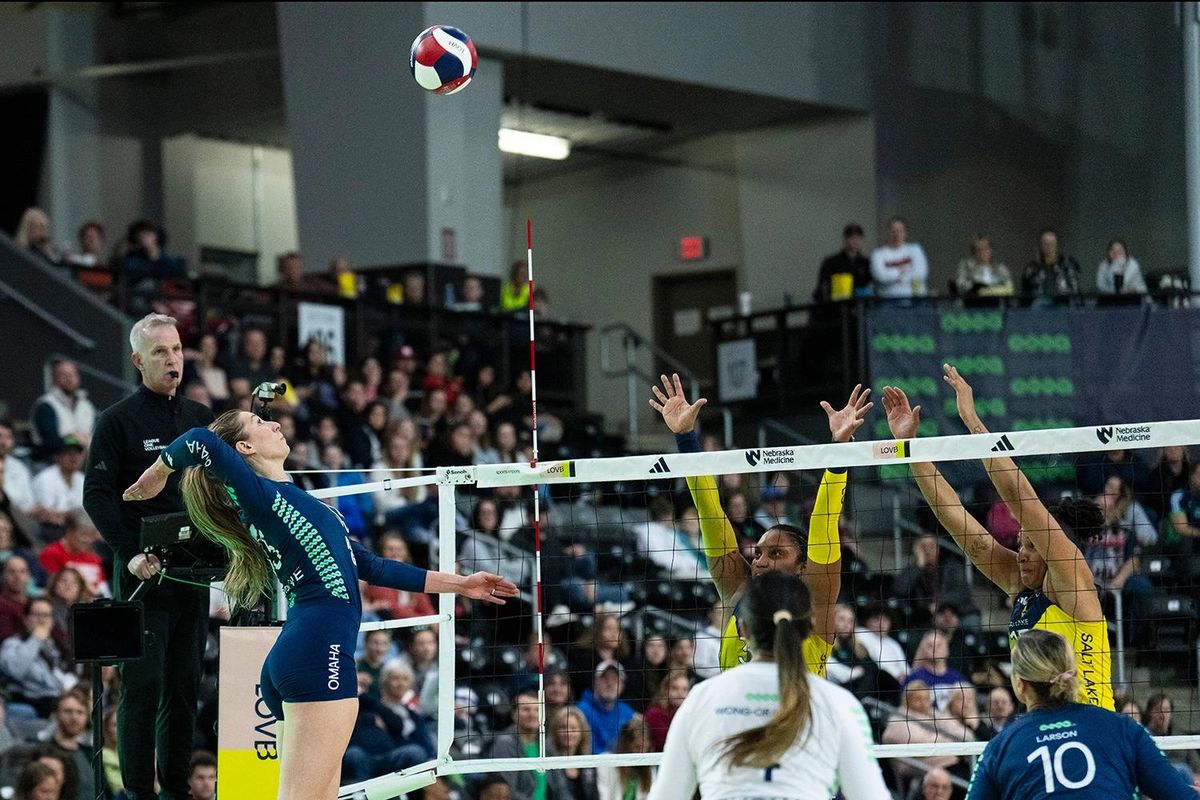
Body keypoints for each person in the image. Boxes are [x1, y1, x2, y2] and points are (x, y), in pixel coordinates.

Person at [121, 407, 517, 800]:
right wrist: (157, 473)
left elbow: (373, 566)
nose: (275, 423)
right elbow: (200, 440)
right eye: (259, 423)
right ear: (243, 448)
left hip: (308, 651)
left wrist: (461, 585)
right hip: (317, 652)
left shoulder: (297, 504)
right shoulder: (262, 496)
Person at [881, 365, 1113, 710]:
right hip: (1041, 722)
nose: (1021, 553)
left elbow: (1022, 500)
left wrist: (973, 422)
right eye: (1020, 544)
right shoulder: (1021, 586)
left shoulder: (1071, 577)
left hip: (1092, 722)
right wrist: (909, 447)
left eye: (1031, 545)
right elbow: (956, 519)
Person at [650, 373, 871, 676]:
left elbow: (824, 524)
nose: (761, 561)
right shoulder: (739, 590)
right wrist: (686, 437)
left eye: (776, 553)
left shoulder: (815, 601)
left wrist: (839, 449)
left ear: (803, 566)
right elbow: (710, 511)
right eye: (758, 553)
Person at [82, 313, 214, 800]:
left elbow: (217, 488)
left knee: (184, 686)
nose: (172, 359)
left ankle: (176, 790)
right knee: (143, 685)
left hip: (193, 571)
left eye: (177, 349)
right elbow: (96, 496)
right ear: (139, 361)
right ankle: (139, 792)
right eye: (160, 352)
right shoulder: (117, 420)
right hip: (142, 570)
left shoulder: (200, 418)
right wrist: (130, 552)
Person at [648, 572, 889, 799]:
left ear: (743, 628)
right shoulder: (840, 704)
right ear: (810, 626)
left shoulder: (701, 698)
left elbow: (667, 795)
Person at [965, 629, 1197, 800]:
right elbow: (1182, 796)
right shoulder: (1123, 728)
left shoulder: (999, 748)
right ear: (1074, 674)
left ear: (1020, 685)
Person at [30, 359, 96, 457]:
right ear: (54, 379)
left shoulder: (86, 405)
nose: (69, 379)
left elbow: (93, 436)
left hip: (83, 459)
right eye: (64, 375)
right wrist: (73, 439)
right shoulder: (45, 405)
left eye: (72, 375)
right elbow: (51, 442)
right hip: (50, 460)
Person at [577, 661, 637, 755]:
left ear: (622, 685)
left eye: (615, 679)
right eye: (605, 678)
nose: (610, 684)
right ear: (595, 682)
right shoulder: (581, 711)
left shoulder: (627, 711)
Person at [870, 216, 928, 299]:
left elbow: (920, 274)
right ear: (888, 233)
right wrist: (905, 272)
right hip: (888, 301)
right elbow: (881, 277)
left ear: (906, 233)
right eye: (893, 231)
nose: (897, 234)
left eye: (900, 231)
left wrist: (893, 274)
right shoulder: (878, 254)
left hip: (915, 299)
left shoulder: (915, 249)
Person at [813, 223, 872, 302]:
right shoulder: (831, 262)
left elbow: (868, 284)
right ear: (845, 239)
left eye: (858, 238)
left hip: (859, 303)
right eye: (852, 237)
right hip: (835, 303)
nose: (855, 241)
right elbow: (823, 285)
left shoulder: (865, 262)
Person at [1021, 228, 1081, 299]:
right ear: (1041, 245)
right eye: (1046, 244)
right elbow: (1025, 295)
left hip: (1064, 302)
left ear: (1056, 245)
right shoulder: (1031, 269)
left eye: (1052, 244)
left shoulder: (1067, 266)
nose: (1049, 247)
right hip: (1039, 303)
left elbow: (1075, 290)